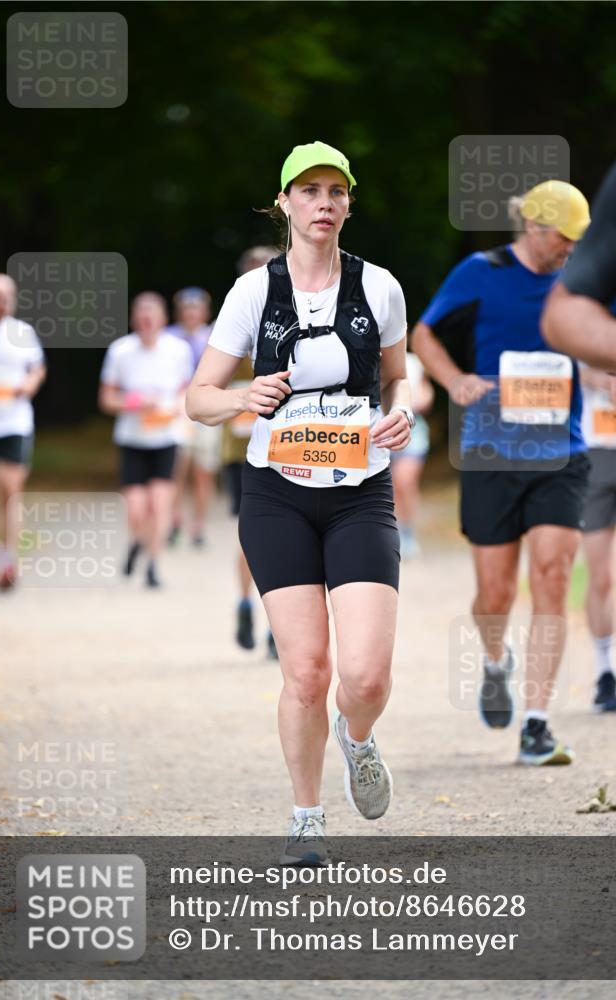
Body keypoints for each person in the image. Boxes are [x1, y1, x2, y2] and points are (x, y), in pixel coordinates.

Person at [186, 141, 412, 863]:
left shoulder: (379, 287)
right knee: (307, 671)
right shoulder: (254, 291)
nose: (323, 203)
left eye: (335, 192)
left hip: (359, 492)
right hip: (276, 493)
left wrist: (403, 412)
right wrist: (236, 398)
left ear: (348, 203)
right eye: (309, 190)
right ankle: (306, 818)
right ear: (283, 202)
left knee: (365, 677)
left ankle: (360, 739)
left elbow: (403, 379)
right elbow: (196, 397)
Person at [413, 180, 610, 766]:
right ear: (537, 228)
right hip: (492, 454)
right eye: (566, 240)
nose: (572, 251)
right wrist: (454, 381)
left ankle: (537, 722)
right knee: (495, 592)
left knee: (551, 575)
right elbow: (424, 333)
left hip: (561, 455)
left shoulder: (583, 281)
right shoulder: (481, 271)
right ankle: (496, 661)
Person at [542, 145, 616, 701]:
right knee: (601, 570)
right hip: (598, 446)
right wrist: (608, 378)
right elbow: (570, 364)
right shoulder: (587, 298)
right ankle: (604, 667)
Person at [98, 292, 194, 588]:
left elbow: (187, 390)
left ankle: (153, 564)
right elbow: (106, 399)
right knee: (137, 508)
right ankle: (136, 541)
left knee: (160, 503)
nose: (147, 320)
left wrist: (176, 408)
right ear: (134, 319)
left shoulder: (178, 350)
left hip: (166, 437)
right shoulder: (120, 350)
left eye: (152, 314)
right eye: (141, 315)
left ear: (163, 319)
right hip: (132, 438)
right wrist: (135, 403)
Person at [220, 246, 280, 656]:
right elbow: (205, 390)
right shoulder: (233, 325)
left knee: (294, 540)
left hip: (292, 446)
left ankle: (280, 627)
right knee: (253, 537)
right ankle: (246, 603)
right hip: (241, 449)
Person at [0, 273, 46, 589]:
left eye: (7, 297)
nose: (2, 303)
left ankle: (9, 558)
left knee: (10, 487)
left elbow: (37, 368)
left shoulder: (23, 333)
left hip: (13, 423)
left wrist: (28, 386)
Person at [579, 352, 616, 712]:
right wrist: (598, 377)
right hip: (594, 454)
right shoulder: (581, 306)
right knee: (602, 576)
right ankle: (605, 670)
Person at [165, 287, 220, 546]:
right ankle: (174, 519)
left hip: (206, 410)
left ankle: (198, 524)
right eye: (186, 308)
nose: (191, 313)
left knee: (203, 471)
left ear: (205, 311)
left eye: (196, 307)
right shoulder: (168, 338)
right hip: (176, 412)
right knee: (176, 469)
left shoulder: (215, 337)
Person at [390, 342, 434, 558]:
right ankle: (392, 533)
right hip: (378, 431)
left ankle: (408, 534)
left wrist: (409, 402)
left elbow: (426, 394)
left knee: (405, 482)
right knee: (389, 487)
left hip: (412, 430)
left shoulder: (414, 363)